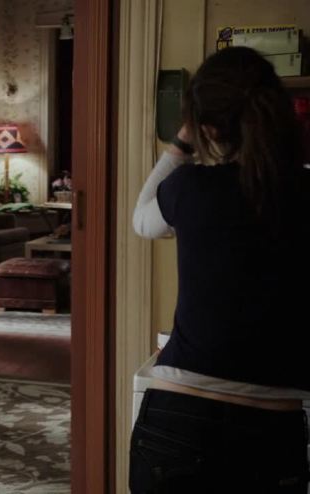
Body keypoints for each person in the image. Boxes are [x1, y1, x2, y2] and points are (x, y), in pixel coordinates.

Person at [130, 46, 310, 493]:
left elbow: (142, 221)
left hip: (180, 415)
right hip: (273, 427)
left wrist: (181, 144)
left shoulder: (190, 188)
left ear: (208, 127)